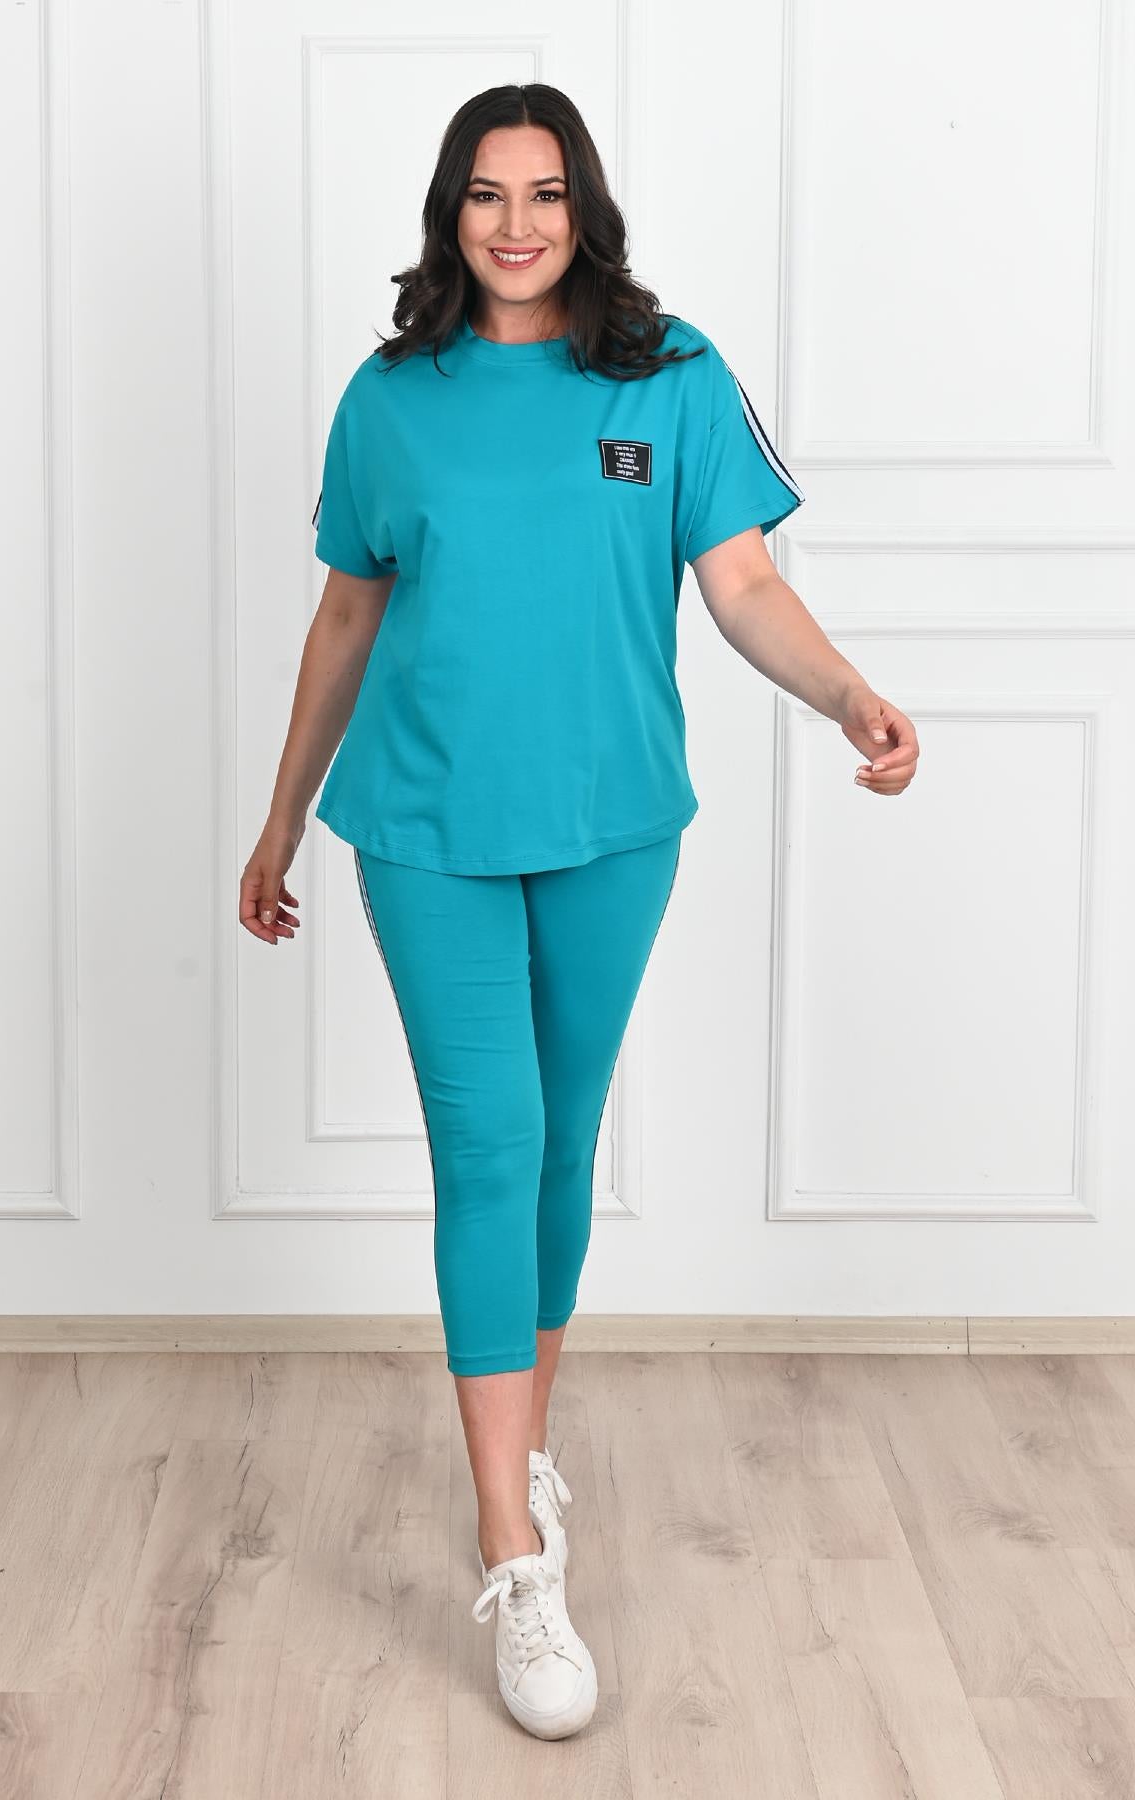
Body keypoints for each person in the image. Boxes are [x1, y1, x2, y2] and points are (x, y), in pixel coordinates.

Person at [239, 84, 919, 1742]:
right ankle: (514, 1550)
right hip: (427, 834)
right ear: (449, 214)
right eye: (486, 194)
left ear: (584, 208)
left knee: (557, 1150)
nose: (517, 224)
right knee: (489, 1147)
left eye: (544, 193)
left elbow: (742, 584)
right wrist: (279, 821)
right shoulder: (390, 399)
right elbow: (344, 620)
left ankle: (518, 1439)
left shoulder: (668, 374)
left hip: (615, 830)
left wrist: (847, 696)